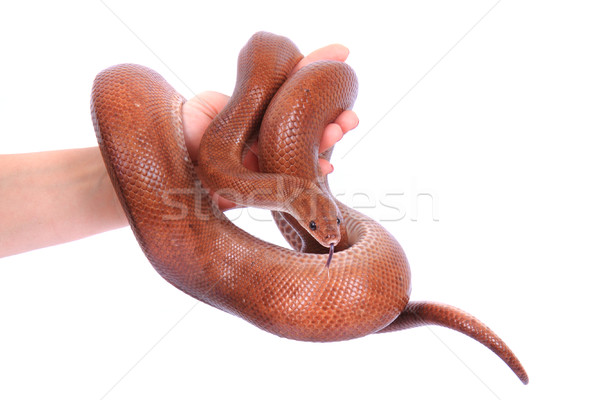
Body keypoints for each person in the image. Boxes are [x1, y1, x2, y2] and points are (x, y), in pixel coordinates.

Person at [0, 44, 359, 258]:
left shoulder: (263, 183)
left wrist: (131, 179)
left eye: (332, 224)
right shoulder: (249, 177)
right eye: (315, 225)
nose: (328, 235)